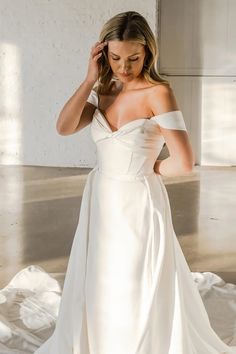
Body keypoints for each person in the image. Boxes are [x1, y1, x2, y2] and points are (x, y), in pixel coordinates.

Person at [34, 10, 236, 354]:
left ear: (148, 53)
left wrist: (151, 171)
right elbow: (64, 127)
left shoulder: (158, 92)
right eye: (114, 58)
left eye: (133, 58)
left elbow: (184, 161)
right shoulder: (103, 88)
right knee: (101, 273)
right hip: (100, 196)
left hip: (138, 200)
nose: (124, 67)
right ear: (102, 54)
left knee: (134, 276)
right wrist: (88, 80)